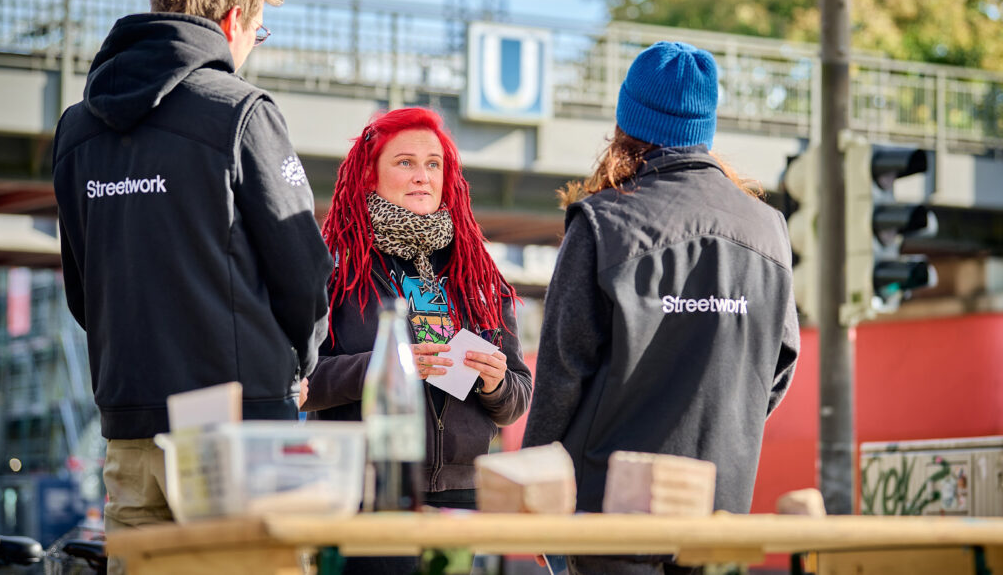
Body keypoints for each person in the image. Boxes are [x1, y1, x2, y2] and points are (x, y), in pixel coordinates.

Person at [51, 0, 333, 569]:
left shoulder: (76, 129)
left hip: (129, 426)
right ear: (235, 19)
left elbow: (83, 290)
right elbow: (303, 268)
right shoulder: (239, 112)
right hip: (237, 432)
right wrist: (297, 367)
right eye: (259, 33)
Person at [522, 41, 800, 575]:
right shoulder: (769, 231)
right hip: (720, 510)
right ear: (705, 127)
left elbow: (562, 372)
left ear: (629, 122)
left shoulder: (605, 223)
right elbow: (778, 367)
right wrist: (720, 424)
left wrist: (539, 498)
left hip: (610, 515)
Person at [303, 106, 532, 574]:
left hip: (460, 497)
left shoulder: (477, 274)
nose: (422, 176)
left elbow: (517, 399)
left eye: (433, 165)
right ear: (370, 175)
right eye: (404, 162)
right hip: (364, 490)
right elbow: (302, 381)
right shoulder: (333, 271)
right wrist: (390, 366)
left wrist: (495, 383)